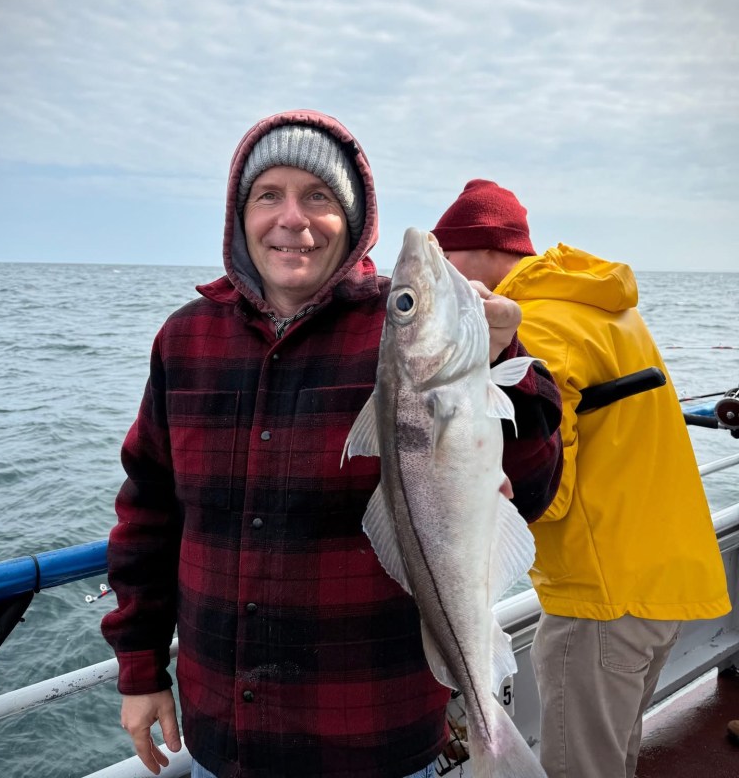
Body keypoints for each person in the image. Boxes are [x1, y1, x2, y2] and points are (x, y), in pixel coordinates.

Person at [101, 115, 563, 778]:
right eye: (269, 195)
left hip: (379, 739)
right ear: (240, 215)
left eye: (317, 196)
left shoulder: (399, 328)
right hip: (222, 744)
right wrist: (141, 668)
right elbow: (147, 514)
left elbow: (535, 488)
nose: (293, 218)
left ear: (352, 218)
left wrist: (500, 358)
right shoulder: (185, 340)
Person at [432, 179, 732, 778]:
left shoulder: (536, 328)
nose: (444, 279)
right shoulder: (603, 308)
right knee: (616, 756)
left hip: (599, 601)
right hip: (662, 582)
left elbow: (547, 493)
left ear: (486, 248)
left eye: (445, 259)